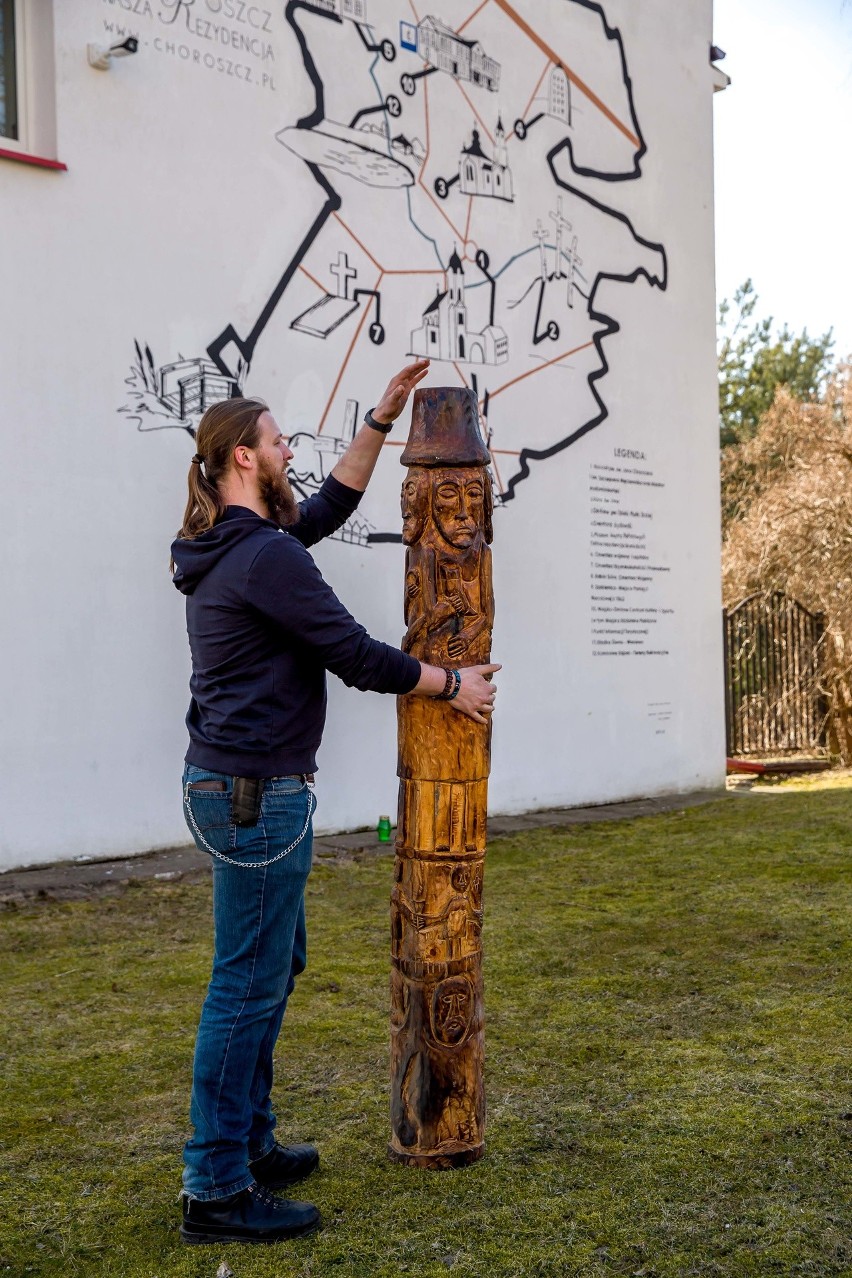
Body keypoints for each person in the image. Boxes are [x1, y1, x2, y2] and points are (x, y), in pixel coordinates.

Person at [170, 359, 499, 1246]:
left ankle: (250, 1140)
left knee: (272, 971)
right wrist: (450, 683)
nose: (289, 452)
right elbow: (356, 654)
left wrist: (381, 421)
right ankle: (216, 1186)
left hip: (241, 788)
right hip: (257, 797)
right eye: (278, 441)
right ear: (245, 458)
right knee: (244, 987)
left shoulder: (240, 547)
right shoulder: (263, 559)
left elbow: (323, 512)